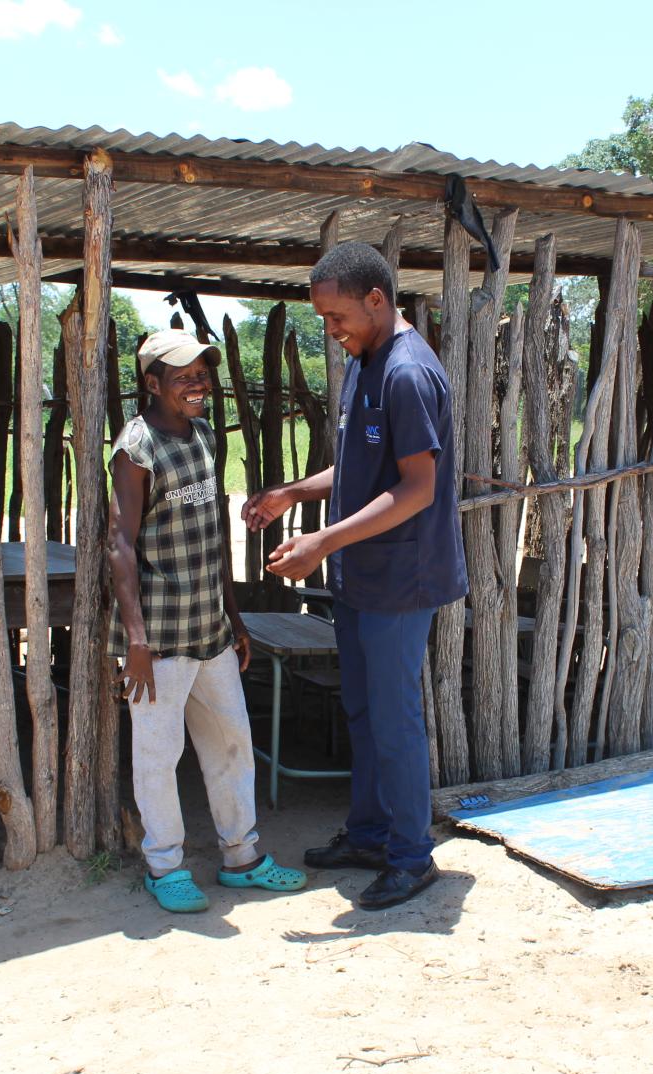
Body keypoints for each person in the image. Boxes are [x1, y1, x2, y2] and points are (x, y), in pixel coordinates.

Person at [241, 242, 467, 910]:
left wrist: (320, 543)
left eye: (337, 316)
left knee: (394, 721)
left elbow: (417, 487)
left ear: (377, 300)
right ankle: (369, 834)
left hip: (403, 579)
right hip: (364, 576)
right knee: (365, 713)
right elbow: (361, 468)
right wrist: (294, 494)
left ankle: (410, 856)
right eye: (323, 319)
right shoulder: (366, 363)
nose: (331, 330)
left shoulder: (406, 373)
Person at [107, 329, 306, 913]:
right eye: (182, 376)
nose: (197, 385)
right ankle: (164, 867)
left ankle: (241, 858)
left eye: (201, 374)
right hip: (160, 640)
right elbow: (119, 545)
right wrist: (136, 643)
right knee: (158, 757)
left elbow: (214, 533)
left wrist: (235, 618)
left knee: (230, 746)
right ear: (152, 384)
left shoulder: (203, 436)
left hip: (211, 630)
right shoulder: (136, 447)